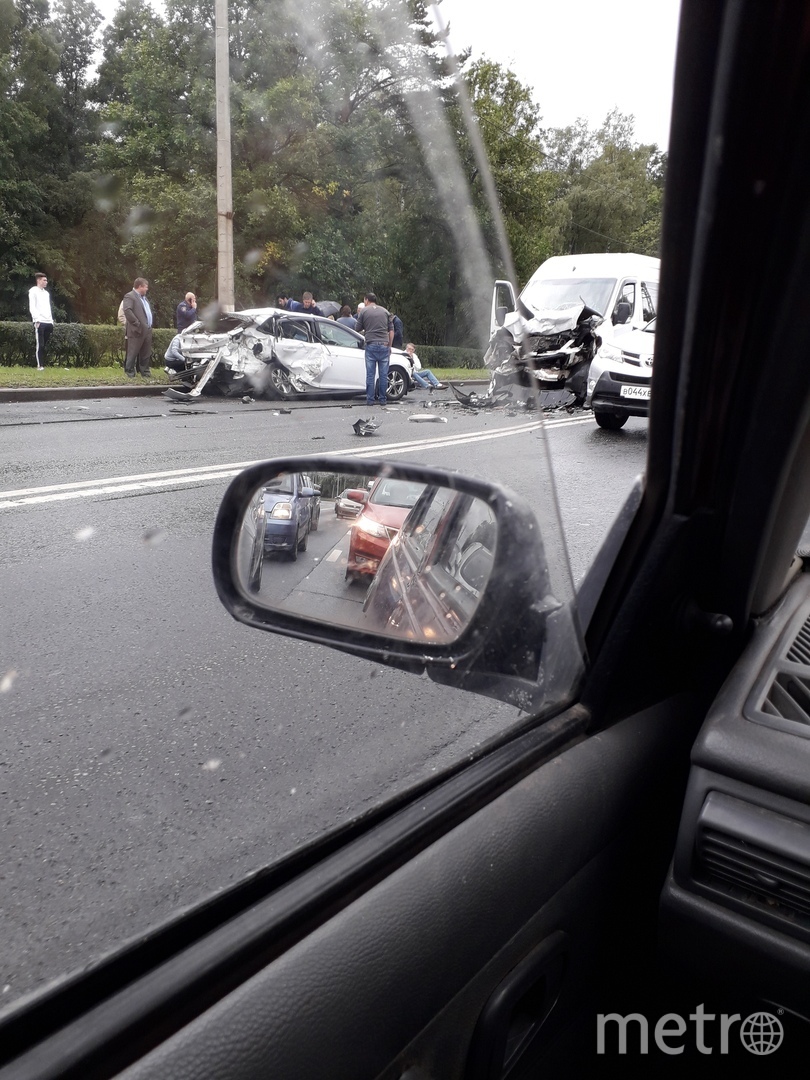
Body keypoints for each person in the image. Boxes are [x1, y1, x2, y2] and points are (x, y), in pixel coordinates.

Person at [355, 292, 393, 406]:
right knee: (383, 375)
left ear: (366, 300)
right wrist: (389, 345)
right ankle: (382, 399)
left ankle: (370, 400)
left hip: (371, 345)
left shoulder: (364, 311)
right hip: (384, 345)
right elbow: (391, 331)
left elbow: (357, 328)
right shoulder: (385, 311)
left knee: (370, 375)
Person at [122, 277, 153, 378]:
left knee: (145, 353)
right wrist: (136, 323)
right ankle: (130, 372)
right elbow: (127, 310)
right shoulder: (129, 296)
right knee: (133, 352)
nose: (147, 289)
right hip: (136, 330)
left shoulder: (144, 298)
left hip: (147, 330)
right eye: (145, 287)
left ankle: (145, 372)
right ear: (140, 286)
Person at [28, 273, 53, 370]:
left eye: (46, 280)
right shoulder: (33, 291)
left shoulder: (46, 293)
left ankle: (41, 362)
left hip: (48, 321)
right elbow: (32, 306)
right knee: (40, 344)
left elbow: (48, 307)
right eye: (44, 280)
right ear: (38, 281)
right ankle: (40, 365)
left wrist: (51, 321)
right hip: (39, 321)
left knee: (44, 345)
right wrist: (36, 319)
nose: (46, 282)